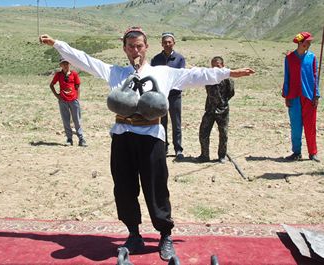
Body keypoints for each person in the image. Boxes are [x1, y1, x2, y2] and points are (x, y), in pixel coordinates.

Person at [39, 27, 254, 261]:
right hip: (122, 137)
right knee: (124, 188)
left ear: (146, 47)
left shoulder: (164, 73)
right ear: (124, 49)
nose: (135, 50)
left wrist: (229, 72)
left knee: (156, 188)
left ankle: (165, 236)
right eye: (130, 46)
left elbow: (197, 75)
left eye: (139, 46)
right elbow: (85, 60)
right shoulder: (115, 73)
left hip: (151, 137)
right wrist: (58, 45)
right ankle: (133, 234)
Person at [282, 31, 320, 162]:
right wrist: (286, 95)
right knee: (296, 126)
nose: (309, 43)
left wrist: (316, 95)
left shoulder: (312, 57)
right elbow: (287, 77)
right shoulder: (289, 58)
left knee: (311, 126)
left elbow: (315, 77)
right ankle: (296, 152)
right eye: (307, 41)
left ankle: (313, 153)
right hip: (293, 96)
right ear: (300, 42)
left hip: (309, 96)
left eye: (310, 41)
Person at [151, 32, 186, 160]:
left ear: (173, 43)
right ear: (161, 44)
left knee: (176, 122)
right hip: (161, 96)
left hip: (175, 95)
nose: (167, 44)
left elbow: (181, 76)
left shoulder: (180, 59)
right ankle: (163, 147)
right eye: (165, 42)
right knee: (162, 122)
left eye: (169, 42)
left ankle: (178, 149)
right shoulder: (156, 59)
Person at [197, 56, 235, 163]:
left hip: (223, 110)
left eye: (218, 66)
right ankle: (204, 155)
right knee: (203, 132)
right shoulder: (208, 77)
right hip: (209, 110)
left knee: (223, 134)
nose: (215, 68)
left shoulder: (228, 79)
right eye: (213, 66)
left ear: (222, 65)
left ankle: (222, 156)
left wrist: (222, 102)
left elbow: (231, 93)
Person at [50, 57, 87, 146]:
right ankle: (69, 139)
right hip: (63, 100)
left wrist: (77, 98)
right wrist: (57, 96)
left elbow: (77, 86)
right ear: (60, 65)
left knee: (77, 120)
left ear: (69, 64)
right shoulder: (58, 75)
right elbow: (51, 85)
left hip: (73, 100)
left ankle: (81, 139)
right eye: (63, 64)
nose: (65, 65)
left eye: (67, 63)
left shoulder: (74, 74)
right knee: (66, 120)